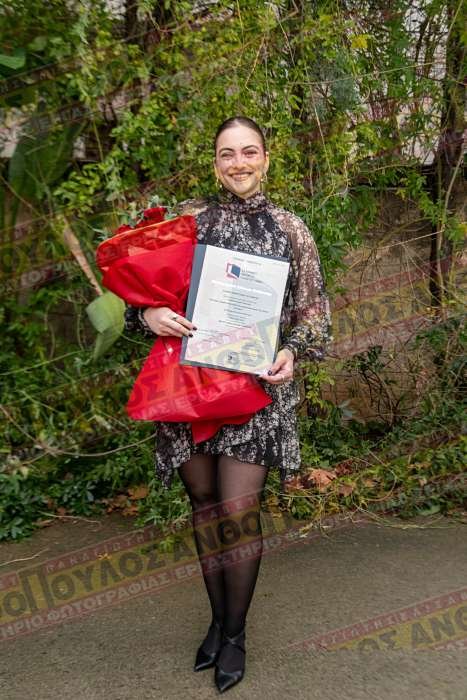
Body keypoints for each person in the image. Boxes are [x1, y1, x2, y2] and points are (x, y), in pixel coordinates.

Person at [124, 116, 333, 692]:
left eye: (248, 152)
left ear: (266, 158)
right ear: (215, 164)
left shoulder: (290, 229)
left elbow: (314, 313)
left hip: (255, 390)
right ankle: (217, 623)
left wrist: (292, 350)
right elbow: (140, 296)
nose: (238, 163)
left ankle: (235, 635)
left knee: (238, 511)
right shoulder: (189, 221)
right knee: (204, 502)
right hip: (188, 384)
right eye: (227, 154)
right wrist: (148, 315)